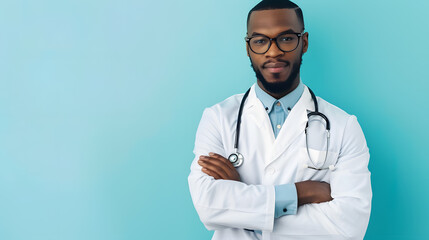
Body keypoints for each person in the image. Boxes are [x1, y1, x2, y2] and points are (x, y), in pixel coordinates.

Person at [188, 0, 372, 239]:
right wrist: (301, 193)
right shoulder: (218, 118)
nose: (273, 51)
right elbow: (208, 206)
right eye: (260, 41)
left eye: (286, 38)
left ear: (303, 42)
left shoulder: (343, 126)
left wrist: (242, 205)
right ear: (248, 48)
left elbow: (349, 225)